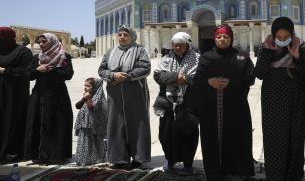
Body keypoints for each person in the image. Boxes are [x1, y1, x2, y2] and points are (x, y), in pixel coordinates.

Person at [193, 24, 255, 181]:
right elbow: (197, 79)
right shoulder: (206, 57)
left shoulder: (241, 57)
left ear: (231, 38)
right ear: (215, 39)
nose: (222, 39)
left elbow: (251, 78)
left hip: (236, 108)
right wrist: (210, 81)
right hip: (211, 109)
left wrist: (232, 83)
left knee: (237, 139)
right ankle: (214, 173)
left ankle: (238, 171)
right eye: (219, 37)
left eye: (225, 37)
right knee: (211, 140)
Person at [254, 17, 305, 181]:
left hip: (295, 99)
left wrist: (297, 56)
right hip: (273, 101)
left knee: (295, 138)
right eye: (280, 38)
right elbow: (260, 73)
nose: (283, 41)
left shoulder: (301, 47)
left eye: (286, 37)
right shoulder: (265, 48)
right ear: (273, 35)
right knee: (274, 139)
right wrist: (269, 51)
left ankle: (293, 176)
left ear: (292, 34)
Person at [98, 25, 151, 169]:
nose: (122, 37)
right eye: (120, 35)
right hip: (115, 96)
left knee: (137, 124)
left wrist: (126, 77)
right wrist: (113, 75)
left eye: (125, 35)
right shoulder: (110, 52)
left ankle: (139, 158)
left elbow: (145, 68)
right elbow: (102, 70)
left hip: (135, 94)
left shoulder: (139, 50)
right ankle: (119, 158)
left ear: (132, 36)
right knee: (116, 124)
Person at [153, 32, 200, 174]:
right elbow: (158, 75)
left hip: (188, 104)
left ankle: (187, 164)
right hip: (167, 104)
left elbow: (200, 78)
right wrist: (175, 77)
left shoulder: (197, 59)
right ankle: (170, 160)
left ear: (187, 45)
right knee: (166, 134)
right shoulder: (166, 59)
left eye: (181, 45)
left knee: (188, 134)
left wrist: (184, 79)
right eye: (175, 45)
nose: (178, 47)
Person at [24, 33, 74, 164]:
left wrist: (52, 70)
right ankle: (39, 154)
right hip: (39, 96)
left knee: (57, 124)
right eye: (39, 42)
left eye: (44, 42)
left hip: (58, 97)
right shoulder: (37, 58)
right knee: (38, 123)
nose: (41, 44)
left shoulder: (64, 57)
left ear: (52, 42)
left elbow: (68, 74)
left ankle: (56, 155)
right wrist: (38, 69)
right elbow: (28, 75)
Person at [0, 27, 33, 162]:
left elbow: (27, 72)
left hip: (15, 95)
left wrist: (5, 71)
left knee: (12, 120)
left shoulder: (23, 52)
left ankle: (12, 150)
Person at [74, 77, 108, 166]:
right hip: (84, 123)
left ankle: (97, 158)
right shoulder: (86, 95)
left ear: (95, 87)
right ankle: (84, 159)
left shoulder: (99, 97)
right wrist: (83, 98)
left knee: (95, 142)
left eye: (88, 86)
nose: (85, 87)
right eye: (85, 85)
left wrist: (88, 98)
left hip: (93, 125)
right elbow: (77, 106)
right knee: (84, 141)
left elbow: (92, 107)